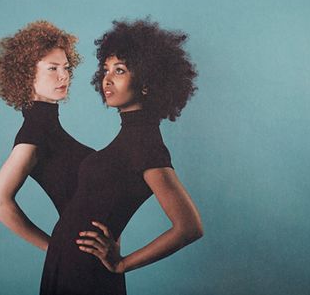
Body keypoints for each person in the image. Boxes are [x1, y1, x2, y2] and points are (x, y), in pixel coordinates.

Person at [40, 19, 204, 295]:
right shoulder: (130, 136)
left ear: (147, 83)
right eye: (106, 70)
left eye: (120, 70)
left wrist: (122, 264)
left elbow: (189, 227)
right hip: (68, 264)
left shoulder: (145, 144)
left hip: (87, 274)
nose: (107, 79)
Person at [0, 21, 94, 251]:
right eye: (53, 68)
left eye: (66, 68)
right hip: (78, 264)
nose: (63, 76)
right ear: (26, 74)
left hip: (98, 262)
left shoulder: (49, 130)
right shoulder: (33, 134)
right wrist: (56, 250)